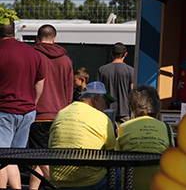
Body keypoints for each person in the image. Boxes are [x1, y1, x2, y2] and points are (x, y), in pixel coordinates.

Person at [28, 24, 74, 190]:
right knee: (42, 158)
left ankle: (58, 185)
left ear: (37, 38)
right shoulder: (66, 60)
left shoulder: (33, 56)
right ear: (54, 39)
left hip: (38, 114)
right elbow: (70, 91)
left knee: (39, 157)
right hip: (60, 115)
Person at [0, 20, 45, 190]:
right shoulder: (31, 52)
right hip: (27, 112)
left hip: (4, 110)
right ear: (13, 30)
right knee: (13, 158)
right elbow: (40, 82)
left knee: (2, 158)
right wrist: (33, 103)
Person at [49, 82, 117, 190]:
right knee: (118, 173)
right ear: (96, 99)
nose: (105, 108)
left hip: (58, 181)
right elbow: (111, 155)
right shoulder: (103, 119)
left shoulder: (61, 113)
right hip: (89, 182)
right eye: (106, 102)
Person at [117, 85, 174, 190]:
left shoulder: (124, 128)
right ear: (157, 106)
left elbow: (117, 160)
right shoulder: (167, 128)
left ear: (133, 107)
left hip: (130, 187)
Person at [97, 42, 134, 124]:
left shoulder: (102, 70)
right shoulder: (130, 70)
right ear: (125, 54)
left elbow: (98, 92)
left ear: (112, 53)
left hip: (106, 111)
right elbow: (133, 91)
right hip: (125, 112)